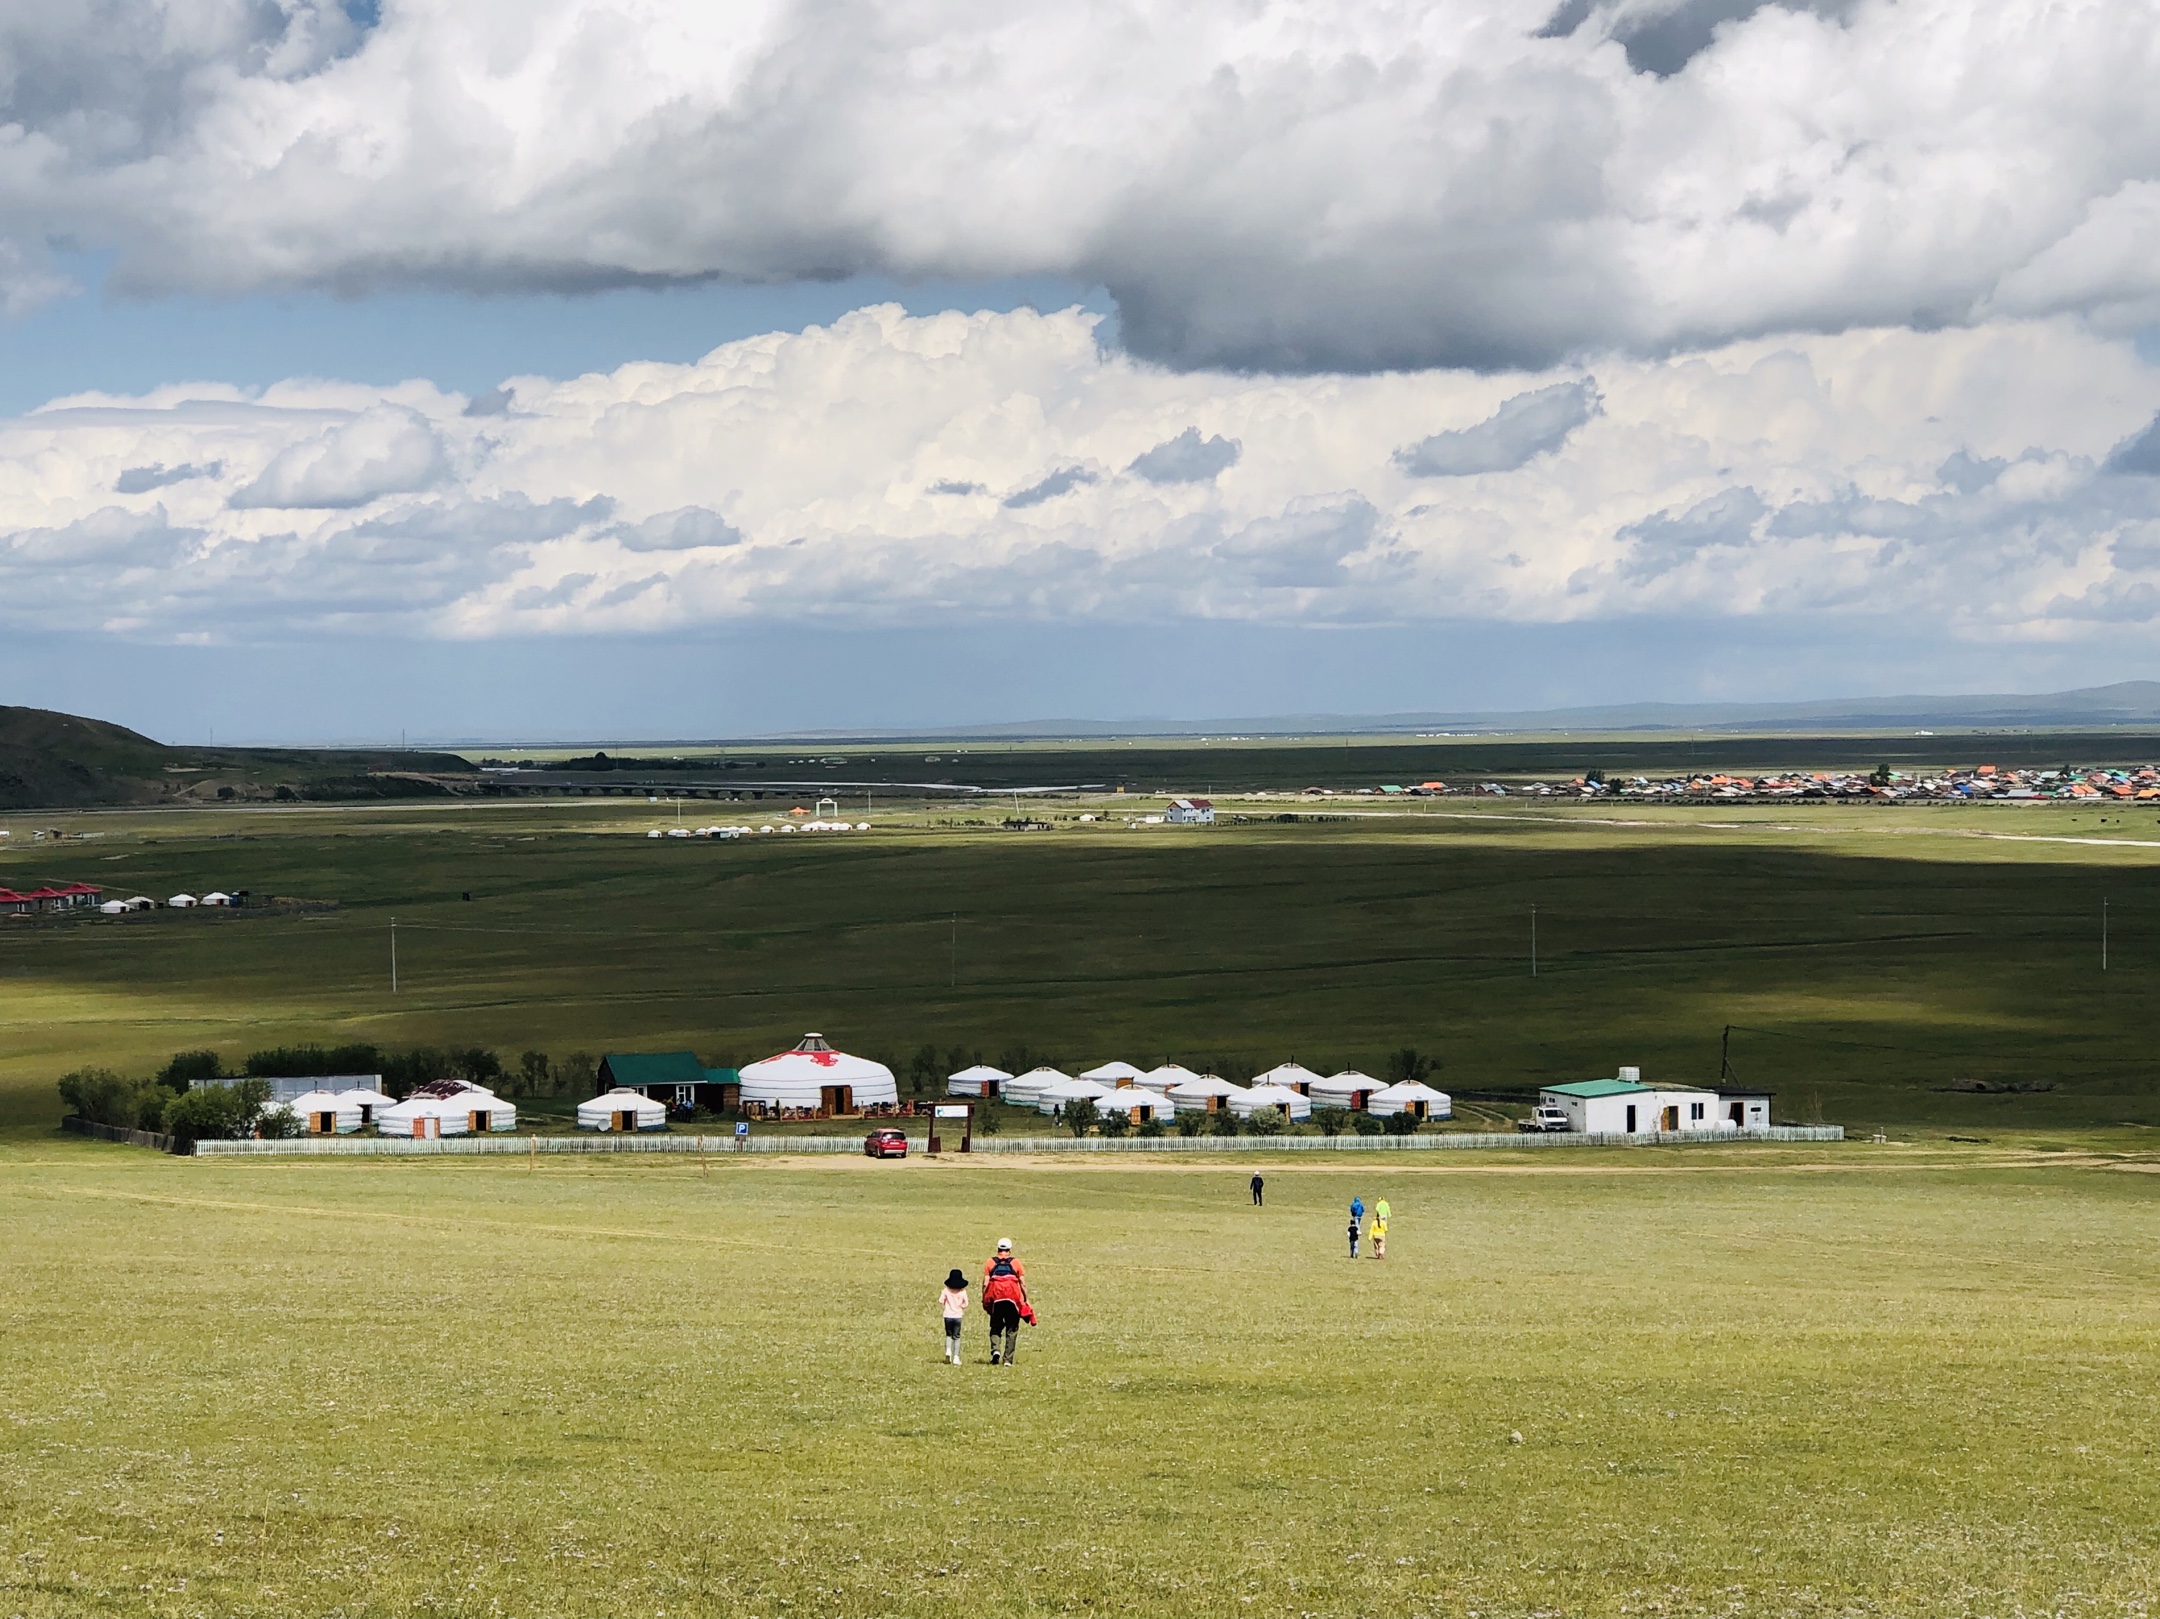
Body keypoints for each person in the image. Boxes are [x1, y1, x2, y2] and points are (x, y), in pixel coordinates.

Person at [982, 1238, 1035, 1365]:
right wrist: (1026, 1299)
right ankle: (1007, 1360)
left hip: (996, 1299)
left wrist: (984, 1298)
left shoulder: (990, 1262)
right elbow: (1022, 1282)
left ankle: (995, 1350)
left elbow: (985, 1283)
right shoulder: (1016, 1263)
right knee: (1012, 1329)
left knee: (995, 1326)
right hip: (1012, 1299)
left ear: (998, 1249)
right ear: (1009, 1250)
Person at [938, 1268, 969, 1364]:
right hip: (958, 1316)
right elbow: (965, 1304)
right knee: (956, 1337)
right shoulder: (962, 1292)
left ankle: (948, 1350)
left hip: (947, 1315)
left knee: (949, 1335)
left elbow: (941, 1300)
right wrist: (960, 1306)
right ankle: (956, 1357)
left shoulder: (946, 1290)